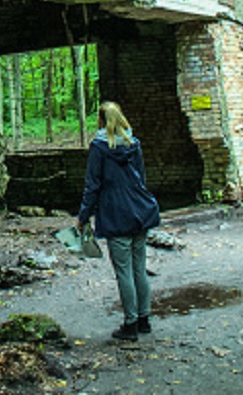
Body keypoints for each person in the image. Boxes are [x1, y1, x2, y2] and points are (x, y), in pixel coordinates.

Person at [76, 101, 161, 342]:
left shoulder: (99, 147)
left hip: (115, 213)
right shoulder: (134, 144)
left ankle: (130, 324)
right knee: (139, 268)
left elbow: (93, 185)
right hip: (140, 210)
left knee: (124, 271)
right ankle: (144, 320)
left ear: (102, 121)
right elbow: (141, 179)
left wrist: (83, 216)